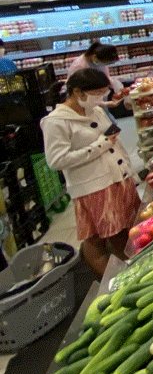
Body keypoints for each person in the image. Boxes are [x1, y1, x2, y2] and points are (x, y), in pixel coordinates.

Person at [41, 69, 140, 276]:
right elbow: (56, 160)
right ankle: (115, 280)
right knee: (100, 237)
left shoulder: (94, 109)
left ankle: (133, 269)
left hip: (117, 177)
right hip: (94, 186)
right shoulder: (55, 122)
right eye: (97, 92)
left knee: (124, 230)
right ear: (78, 92)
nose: (100, 97)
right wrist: (99, 145)